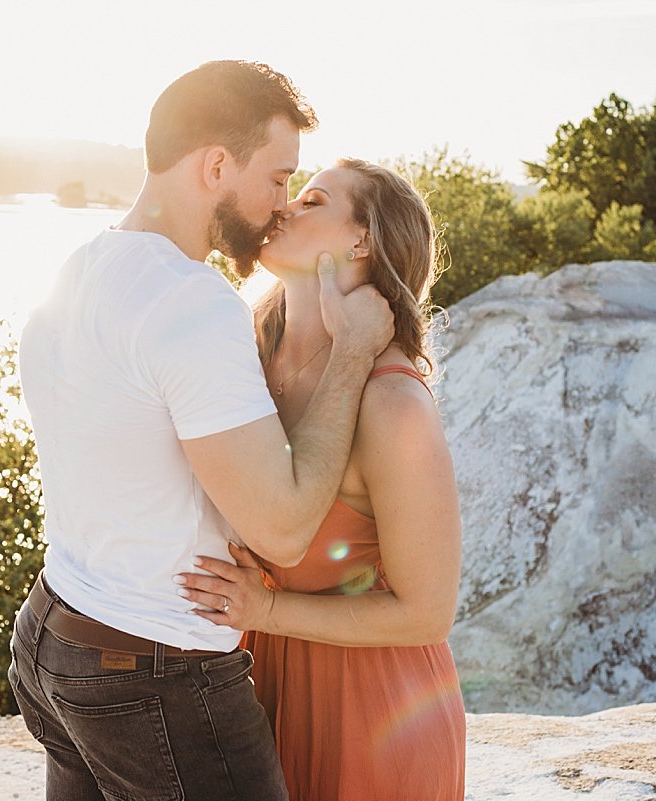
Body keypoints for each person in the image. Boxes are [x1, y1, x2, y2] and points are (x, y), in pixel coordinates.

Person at [9, 61, 395, 801]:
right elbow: (283, 531)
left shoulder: (79, 269)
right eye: (279, 179)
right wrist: (352, 355)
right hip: (153, 669)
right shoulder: (193, 302)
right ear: (217, 164)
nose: (281, 205)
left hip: (53, 634)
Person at [175, 158, 467, 801]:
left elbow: (428, 614)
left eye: (311, 202)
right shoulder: (246, 353)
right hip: (255, 687)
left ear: (360, 241)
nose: (283, 208)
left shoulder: (392, 404)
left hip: (374, 718)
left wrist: (267, 608)